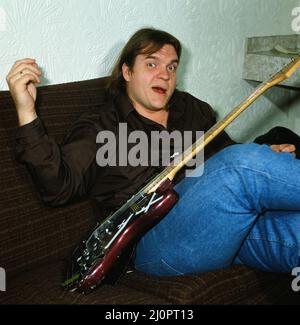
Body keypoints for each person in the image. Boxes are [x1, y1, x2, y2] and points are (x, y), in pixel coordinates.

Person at [6, 28, 300, 278]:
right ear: (127, 71)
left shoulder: (192, 110)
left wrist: (266, 155)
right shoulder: (101, 126)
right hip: (153, 243)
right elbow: (58, 187)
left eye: (172, 67)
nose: (165, 74)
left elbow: (225, 158)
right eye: (151, 64)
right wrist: (26, 111)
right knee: (241, 166)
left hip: (216, 228)